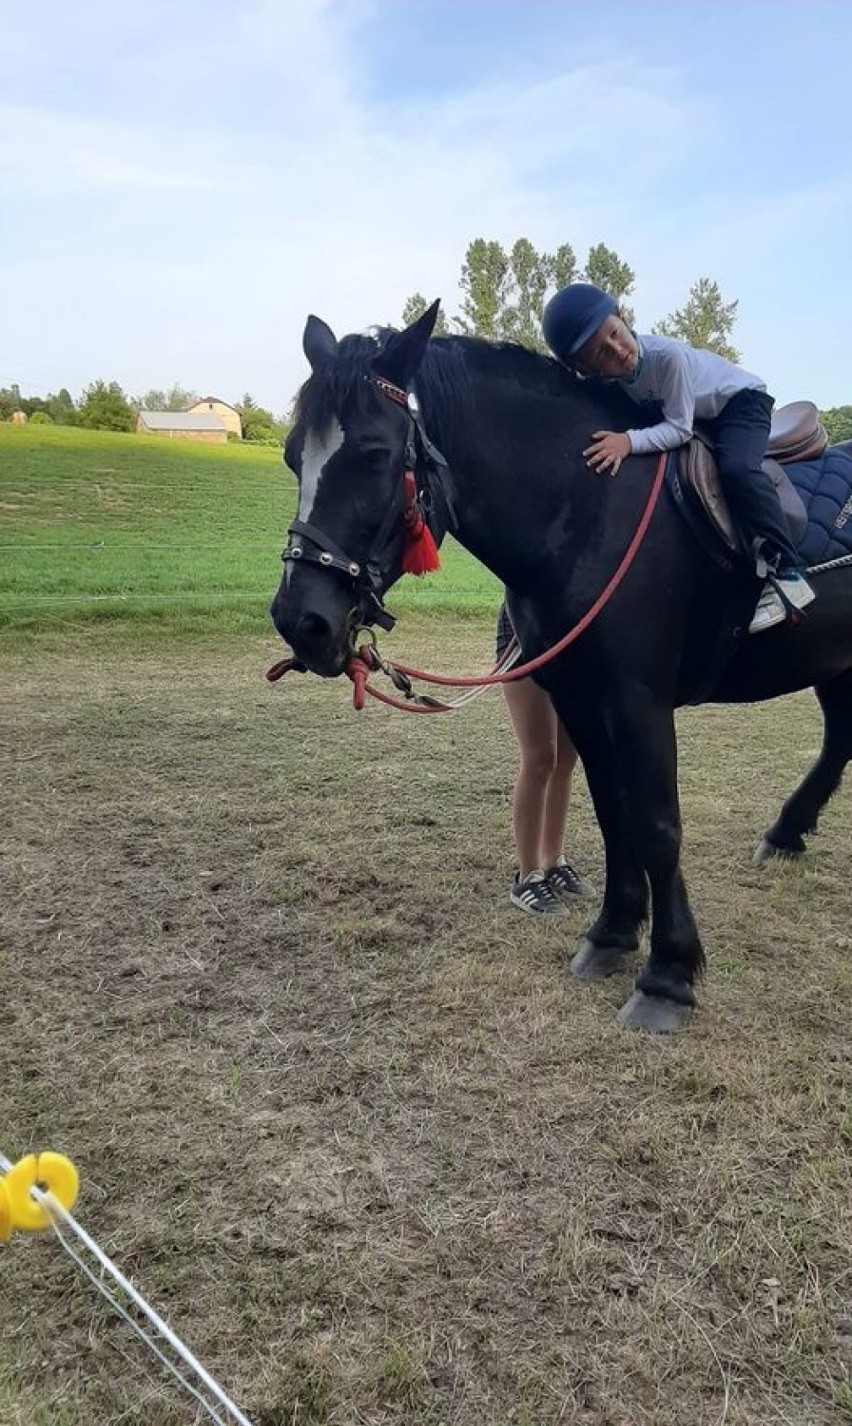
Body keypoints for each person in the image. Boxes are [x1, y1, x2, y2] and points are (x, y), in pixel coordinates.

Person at [541, 283, 815, 634]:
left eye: (614, 334)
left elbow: (679, 429)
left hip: (740, 404)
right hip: (700, 412)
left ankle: (789, 571)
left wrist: (627, 442)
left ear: (622, 318)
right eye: (600, 354)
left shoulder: (668, 357)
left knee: (737, 470)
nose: (617, 350)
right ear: (589, 368)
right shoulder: (614, 382)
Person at [496, 601, 594, 913]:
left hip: (571, 634)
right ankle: (528, 877)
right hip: (525, 630)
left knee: (566, 757)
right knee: (540, 757)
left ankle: (554, 861)